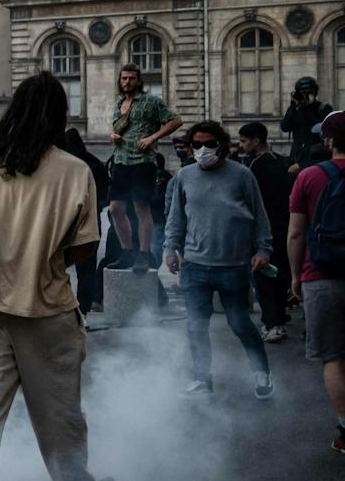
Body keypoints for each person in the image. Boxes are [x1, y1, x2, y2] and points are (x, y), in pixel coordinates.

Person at [0, 71, 118, 481]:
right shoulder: (74, 170)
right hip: (48, 310)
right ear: (58, 116)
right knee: (59, 418)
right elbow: (85, 247)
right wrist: (47, 251)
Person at [164, 120, 275, 400]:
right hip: (195, 267)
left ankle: (261, 373)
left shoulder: (241, 175)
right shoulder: (184, 176)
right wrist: (170, 248)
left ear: (222, 145)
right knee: (196, 325)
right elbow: (175, 217)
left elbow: (260, 216)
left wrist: (263, 250)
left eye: (210, 144)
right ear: (190, 147)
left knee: (240, 323)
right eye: (197, 144)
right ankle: (202, 378)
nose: (203, 149)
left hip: (234, 266)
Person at [287, 110, 345, 456]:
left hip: (320, 274)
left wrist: (295, 276)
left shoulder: (309, 176)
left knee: (334, 357)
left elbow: (296, 233)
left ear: (328, 140)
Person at [107, 65, 182, 270]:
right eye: (124, 78)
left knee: (141, 207)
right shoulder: (118, 103)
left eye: (131, 78)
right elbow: (118, 129)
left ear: (139, 81)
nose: (127, 82)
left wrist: (153, 137)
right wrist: (113, 137)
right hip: (120, 161)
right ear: (120, 81)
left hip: (143, 161)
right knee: (115, 209)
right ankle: (126, 252)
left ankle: (144, 253)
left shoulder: (151, 102)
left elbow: (176, 121)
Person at [239, 121, 294, 343]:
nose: (242, 146)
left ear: (256, 140)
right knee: (279, 276)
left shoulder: (254, 166)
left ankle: (272, 324)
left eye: (244, 141)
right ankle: (278, 320)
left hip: (263, 230)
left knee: (263, 278)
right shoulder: (282, 162)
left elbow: (251, 201)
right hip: (283, 226)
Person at [62, 128, 110, 313]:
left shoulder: (67, 166)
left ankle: (66, 307)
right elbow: (106, 190)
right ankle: (84, 309)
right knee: (86, 269)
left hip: (67, 222)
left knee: (58, 267)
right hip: (90, 223)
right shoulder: (93, 164)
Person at [283, 76, 336, 169]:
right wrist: (292, 106)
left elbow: (321, 128)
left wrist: (306, 109)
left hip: (315, 155)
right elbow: (284, 127)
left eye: (309, 92)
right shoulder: (295, 109)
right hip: (297, 155)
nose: (306, 95)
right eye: (303, 92)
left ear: (315, 92)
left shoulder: (324, 108)